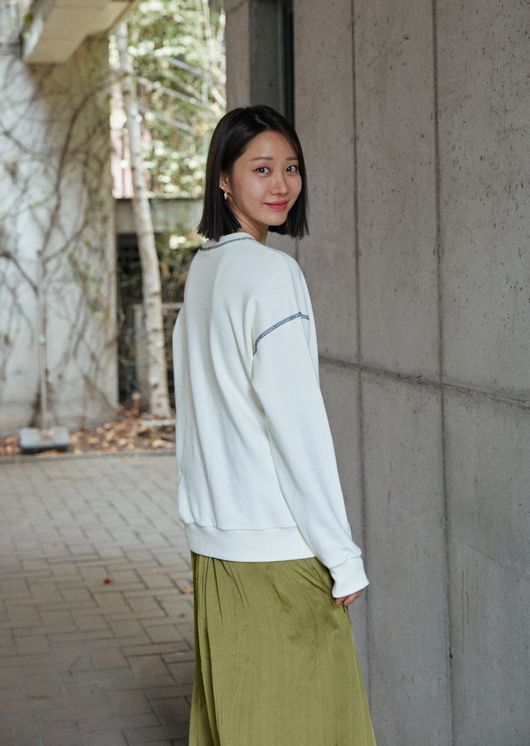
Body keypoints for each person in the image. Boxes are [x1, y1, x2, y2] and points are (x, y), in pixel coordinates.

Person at [172, 104, 377, 745]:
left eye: (291, 167)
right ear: (224, 179)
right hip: (276, 551)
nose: (281, 184)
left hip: (216, 550)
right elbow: (296, 425)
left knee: (237, 724)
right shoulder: (272, 273)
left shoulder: (204, 271)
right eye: (261, 169)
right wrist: (341, 556)